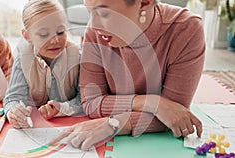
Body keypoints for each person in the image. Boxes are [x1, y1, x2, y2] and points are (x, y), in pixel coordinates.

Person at [50, 0, 205, 151]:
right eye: (90, 11)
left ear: (144, 3)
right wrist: (153, 103)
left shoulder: (185, 28)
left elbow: (175, 115)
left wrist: (116, 123)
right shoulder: (95, 31)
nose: (94, 25)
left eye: (104, 13)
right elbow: (91, 102)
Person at [3, 0, 83, 128]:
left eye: (61, 32)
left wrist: (62, 108)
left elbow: (85, 100)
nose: (55, 40)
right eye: (44, 34)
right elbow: (12, 97)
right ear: (27, 36)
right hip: (36, 126)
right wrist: (14, 111)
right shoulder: (23, 58)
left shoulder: (78, 57)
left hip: (70, 124)